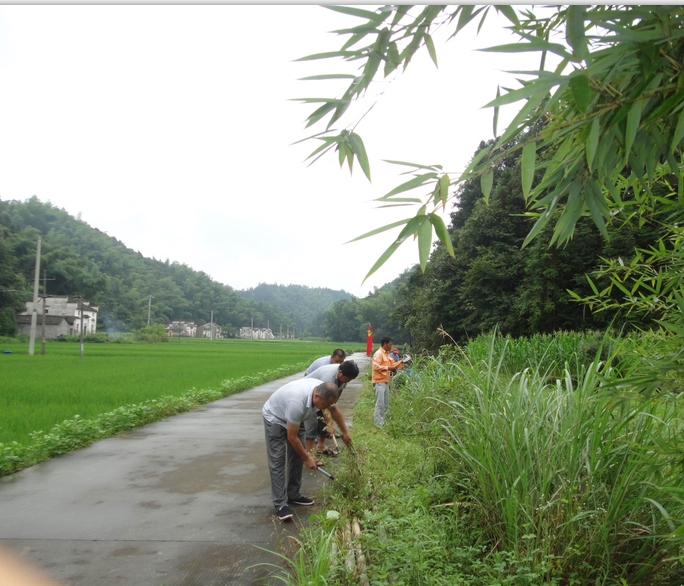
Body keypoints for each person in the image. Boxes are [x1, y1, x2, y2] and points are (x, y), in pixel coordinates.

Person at [262, 379, 342, 522]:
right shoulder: (297, 402)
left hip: (297, 418)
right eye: (324, 405)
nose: (324, 408)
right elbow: (292, 437)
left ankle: (293, 495)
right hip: (275, 417)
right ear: (316, 397)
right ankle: (280, 504)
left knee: (297, 456)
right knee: (278, 460)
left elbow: (329, 409)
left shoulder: (323, 391)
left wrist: (338, 429)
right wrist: (308, 458)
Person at [304, 360, 359, 457]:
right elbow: (324, 402)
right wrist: (330, 424)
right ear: (340, 372)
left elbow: (334, 399)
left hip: (320, 396)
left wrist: (345, 433)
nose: (348, 381)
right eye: (347, 379)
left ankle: (321, 446)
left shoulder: (344, 376)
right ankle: (309, 455)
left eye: (350, 380)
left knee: (324, 417)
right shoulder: (328, 377)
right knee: (313, 422)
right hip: (307, 395)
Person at [372, 336, 403, 426]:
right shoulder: (379, 354)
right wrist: (388, 368)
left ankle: (382, 422)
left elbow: (393, 364)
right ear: (385, 344)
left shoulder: (387, 354)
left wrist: (401, 362)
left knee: (385, 404)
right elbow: (375, 366)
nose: (391, 346)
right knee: (380, 403)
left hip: (385, 382)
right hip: (379, 382)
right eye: (390, 344)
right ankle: (378, 424)